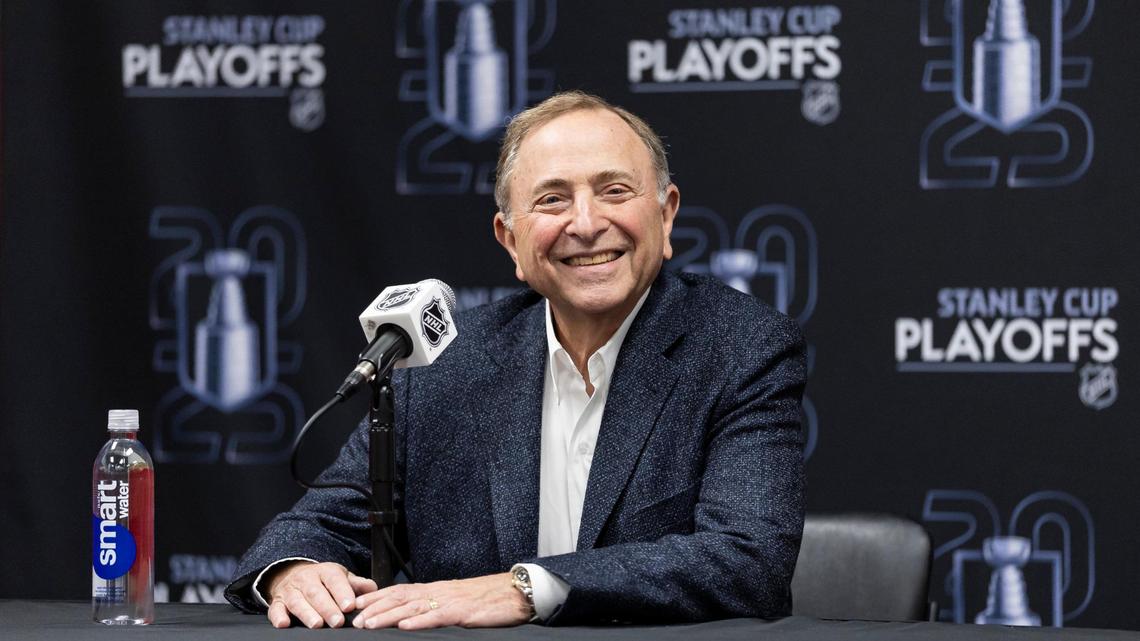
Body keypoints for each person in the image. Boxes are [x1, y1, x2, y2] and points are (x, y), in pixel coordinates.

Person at [225, 90, 807, 629]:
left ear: (666, 214)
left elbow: (746, 560)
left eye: (615, 191)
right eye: (553, 199)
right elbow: (325, 519)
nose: (585, 223)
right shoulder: (445, 359)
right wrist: (294, 571)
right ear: (510, 239)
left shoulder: (740, 347)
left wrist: (526, 587)